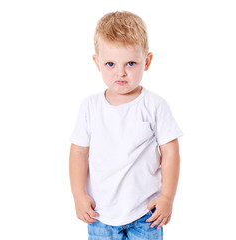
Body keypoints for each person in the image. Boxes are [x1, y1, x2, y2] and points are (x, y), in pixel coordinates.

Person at [69, 11, 183, 240]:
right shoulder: (90, 107)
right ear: (97, 63)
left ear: (147, 61)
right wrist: (78, 195)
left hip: (146, 212)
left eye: (130, 63)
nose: (120, 72)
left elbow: (170, 153)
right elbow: (79, 152)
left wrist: (167, 197)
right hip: (101, 213)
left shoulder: (154, 105)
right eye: (110, 64)